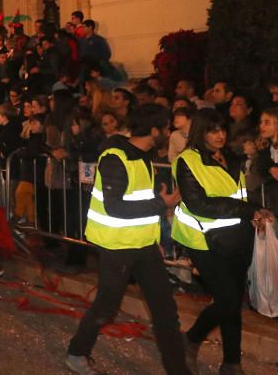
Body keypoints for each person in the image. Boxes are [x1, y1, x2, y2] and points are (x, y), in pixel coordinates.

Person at [66, 104, 189, 375]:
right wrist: (161, 203)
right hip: (117, 247)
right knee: (107, 306)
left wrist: (154, 237)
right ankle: (77, 352)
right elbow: (115, 207)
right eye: (166, 129)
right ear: (154, 131)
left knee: (166, 312)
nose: (169, 133)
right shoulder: (114, 157)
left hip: (144, 246)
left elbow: (140, 199)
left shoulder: (143, 155)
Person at [172, 109, 272, 374]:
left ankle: (231, 363)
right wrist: (247, 211)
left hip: (236, 237)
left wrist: (257, 210)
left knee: (232, 303)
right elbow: (198, 203)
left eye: (222, 129)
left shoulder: (230, 157)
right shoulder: (188, 161)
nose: (220, 135)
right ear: (200, 132)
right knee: (227, 300)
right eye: (212, 130)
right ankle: (192, 339)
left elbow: (238, 196)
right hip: (203, 240)